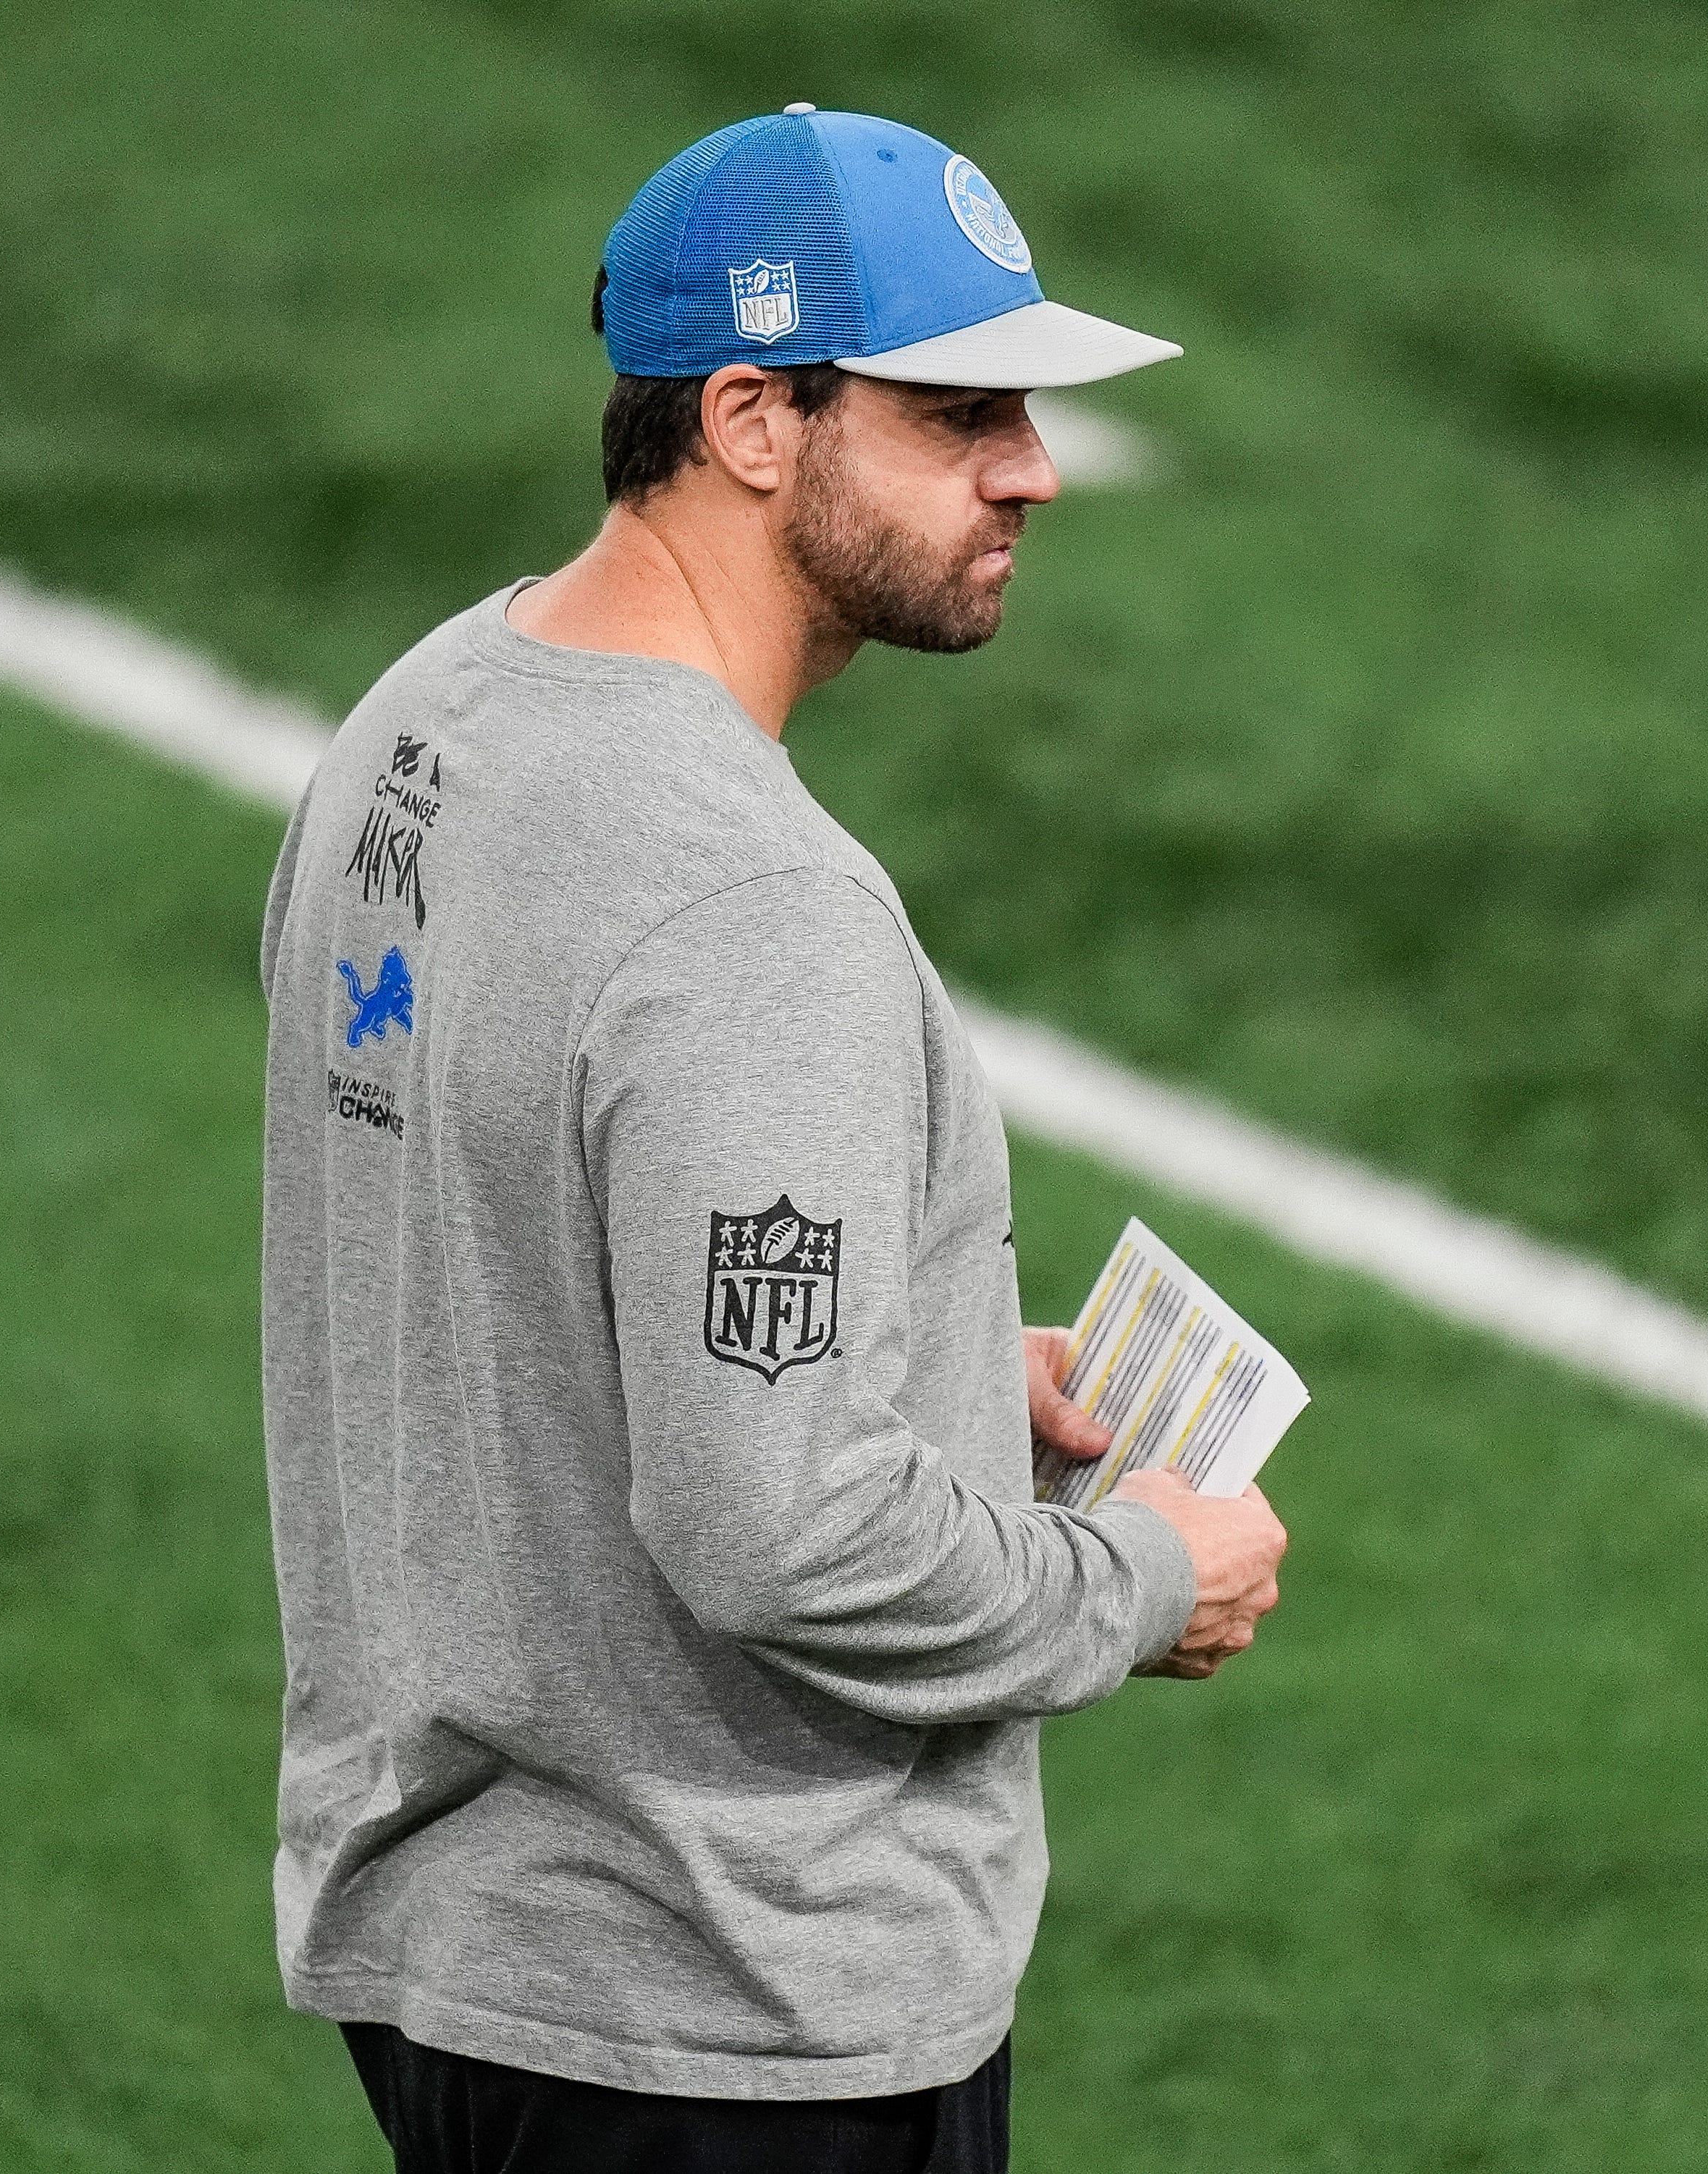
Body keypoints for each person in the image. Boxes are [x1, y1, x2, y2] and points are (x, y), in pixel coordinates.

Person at [256, 105, 1290, 2174]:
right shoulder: (750, 910)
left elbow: (519, 1250)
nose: (1034, 467)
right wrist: (1133, 1574)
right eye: (957, 410)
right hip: (721, 2015)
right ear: (749, 417)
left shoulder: (425, 723)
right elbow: (782, 1531)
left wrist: (904, 1367)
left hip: (466, 1952)